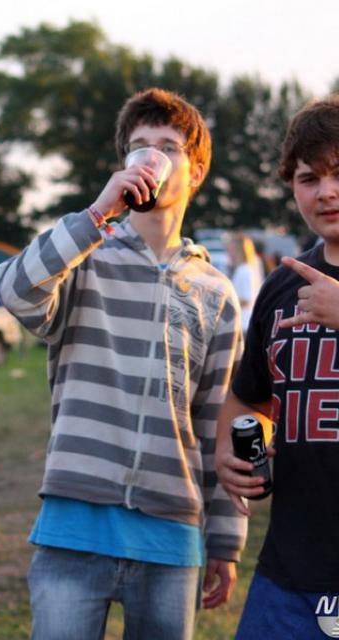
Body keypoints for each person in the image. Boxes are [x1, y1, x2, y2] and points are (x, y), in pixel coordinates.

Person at [0, 88, 246, 640]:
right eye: (139, 147)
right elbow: (14, 291)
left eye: (168, 147)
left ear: (196, 171)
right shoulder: (83, 260)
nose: (151, 158)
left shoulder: (216, 293)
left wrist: (226, 540)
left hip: (170, 540)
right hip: (72, 530)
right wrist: (96, 214)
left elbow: (219, 424)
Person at [215, 95, 339, 638]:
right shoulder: (282, 283)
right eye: (310, 178)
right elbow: (248, 397)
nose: (326, 191)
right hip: (290, 570)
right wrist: (230, 451)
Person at [226, 233, 263, 334]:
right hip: (245, 323)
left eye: (231, 249)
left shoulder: (244, 270)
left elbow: (246, 299)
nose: (229, 252)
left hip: (244, 324)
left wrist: (224, 303)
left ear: (238, 250)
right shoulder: (247, 268)